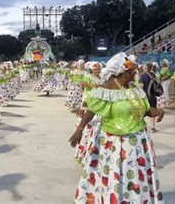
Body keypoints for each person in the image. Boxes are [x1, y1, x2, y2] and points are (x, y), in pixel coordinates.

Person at [69, 52, 164, 203]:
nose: (135, 74)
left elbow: (145, 110)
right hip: (114, 143)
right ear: (121, 73)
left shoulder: (135, 89)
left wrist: (158, 111)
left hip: (139, 142)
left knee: (134, 175)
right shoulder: (105, 90)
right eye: (132, 71)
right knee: (116, 175)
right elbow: (92, 110)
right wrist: (79, 129)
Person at [74, 61, 103, 165]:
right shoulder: (88, 76)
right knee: (87, 127)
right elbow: (82, 84)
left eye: (98, 68)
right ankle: (82, 152)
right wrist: (91, 86)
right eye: (95, 69)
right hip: (88, 102)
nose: (96, 70)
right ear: (92, 69)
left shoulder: (101, 77)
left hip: (98, 103)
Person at [139, 62, 162, 133]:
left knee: (142, 112)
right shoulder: (153, 74)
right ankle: (153, 127)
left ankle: (141, 127)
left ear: (145, 67)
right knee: (153, 111)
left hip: (145, 97)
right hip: (152, 96)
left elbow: (141, 87)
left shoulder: (143, 75)